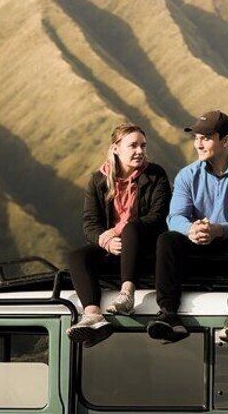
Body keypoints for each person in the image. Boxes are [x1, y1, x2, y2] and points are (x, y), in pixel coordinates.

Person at [146, 110, 228, 346]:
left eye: (205, 138)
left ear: (226, 140)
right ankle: (168, 313)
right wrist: (191, 229)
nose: (198, 144)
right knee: (167, 239)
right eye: (196, 138)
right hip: (197, 246)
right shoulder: (186, 176)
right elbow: (175, 217)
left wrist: (219, 229)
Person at [66, 123, 171, 344]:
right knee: (76, 257)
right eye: (133, 146)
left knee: (132, 228)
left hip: (145, 248)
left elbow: (158, 215)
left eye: (143, 145)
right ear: (116, 148)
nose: (140, 151)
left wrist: (115, 231)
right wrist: (107, 242)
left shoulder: (155, 175)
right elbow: (90, 223)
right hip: (114, 249)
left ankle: (127, 294)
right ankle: (93, 315)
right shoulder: (98, 180)